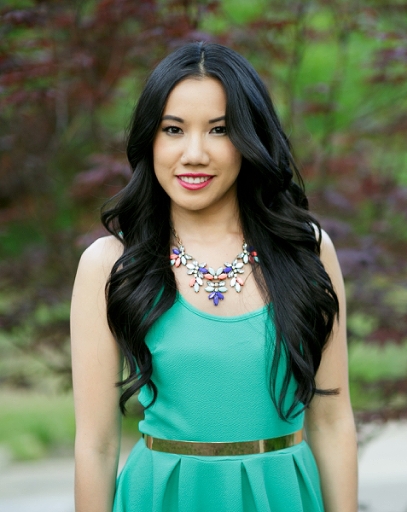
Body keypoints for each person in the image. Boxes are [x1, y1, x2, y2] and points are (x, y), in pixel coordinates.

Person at [70, 41, 358, 512]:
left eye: (220, 129)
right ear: (151, 138)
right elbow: (96, 446)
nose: (195, 153)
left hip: (283, 497)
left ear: (250, 139)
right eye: (174, 129)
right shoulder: (110, 264)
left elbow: (332, 422)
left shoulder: (305, 250)